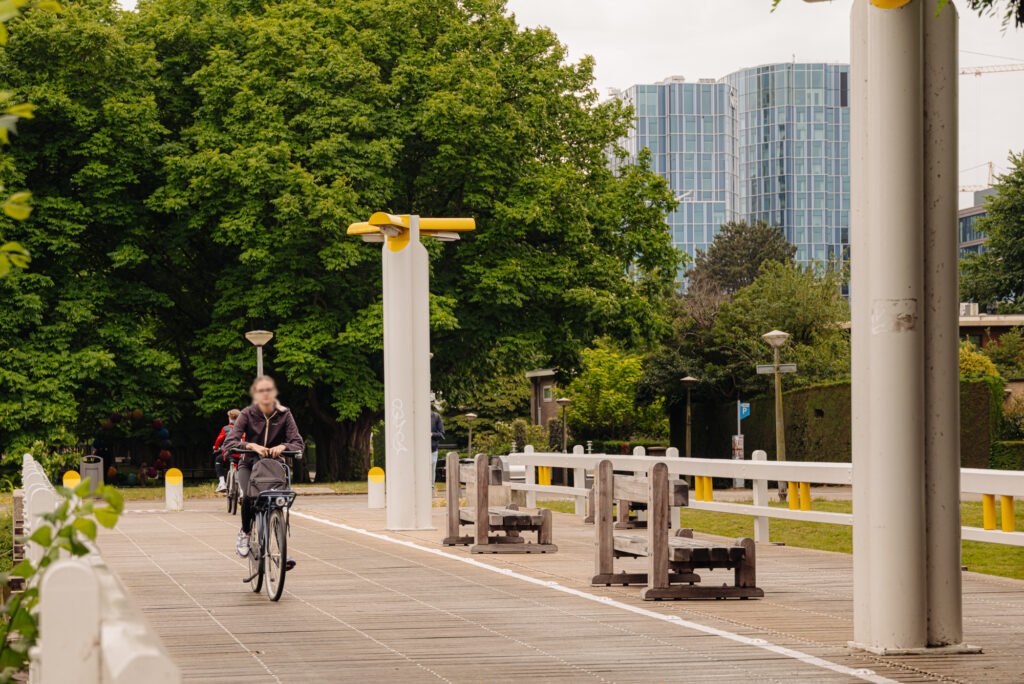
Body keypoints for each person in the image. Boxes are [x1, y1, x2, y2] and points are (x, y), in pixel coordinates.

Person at [222, 375, 304, 558]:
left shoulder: (284, 414)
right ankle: (245, 532)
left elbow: (297, 443)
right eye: (261, 391)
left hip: (274, 466)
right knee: (250, 497)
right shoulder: (247, 414)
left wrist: (283, 447)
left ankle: (280, 551)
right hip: (249, 464)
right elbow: (230, 442)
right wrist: (251, 446)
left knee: (277, 501)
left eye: (269, 390)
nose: (265, 394)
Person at [212, 408, 241, 492]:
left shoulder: (226, 428)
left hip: (228, 454)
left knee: (218, 460)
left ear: (229, 418)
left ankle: (222, 483)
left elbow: (219, 440)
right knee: (242, 467)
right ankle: (243, 490)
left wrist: (216, 448)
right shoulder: (244, 429)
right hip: (241, 454)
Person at [430, 406, 444, 496]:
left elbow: (442, 434)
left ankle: (430, 498)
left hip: (432, 451)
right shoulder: (415, 417)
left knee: (431, 475)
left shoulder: (436, 416)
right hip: (418, 453)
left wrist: (432, 434)